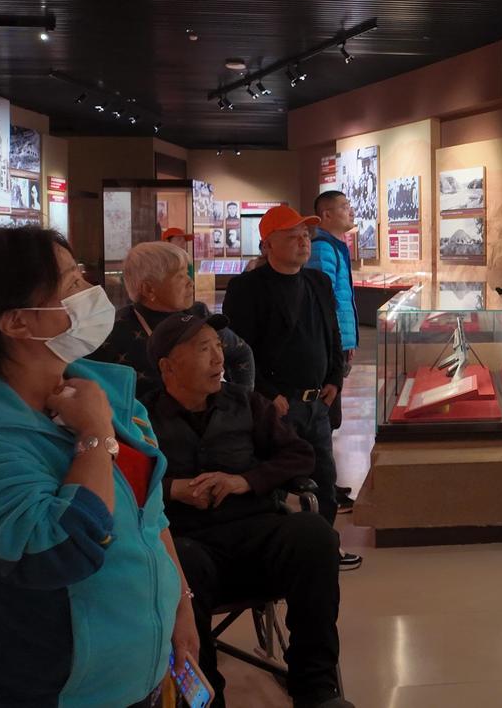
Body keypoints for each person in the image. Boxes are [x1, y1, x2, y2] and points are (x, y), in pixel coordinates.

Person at [0, 226, 197, 708]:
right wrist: (94, 437)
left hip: (138, 678)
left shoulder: (108, 392)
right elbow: (59, 552)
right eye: (71, 284)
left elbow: (152, 518)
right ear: (17, 323)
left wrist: (180, 605)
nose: (92, 291)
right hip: (44, 691)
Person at [145, 313, 352, 708]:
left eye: (218, 346)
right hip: (188, 542)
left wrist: (245, 480)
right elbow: (123, 483)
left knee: (314, 535)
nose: (218, 358)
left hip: (255, 531)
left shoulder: (245, 403)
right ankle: (206, 700)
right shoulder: (142, 417)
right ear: (168, 367)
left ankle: (316, 688)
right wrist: (173, 488)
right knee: (178, 563)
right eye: (203, 349)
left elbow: (300, 455)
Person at [223, 206, 361, 570]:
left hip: (317, 403)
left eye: (305, 235)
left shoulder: (317, 282)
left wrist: (334, 379)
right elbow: (239, 350)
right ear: (268, 244)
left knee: (325, 478)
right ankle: (282, 552)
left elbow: (332, 334)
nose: (303, 242)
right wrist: (267, 394)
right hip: (277, 406)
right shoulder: (247, 288)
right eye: (292, 236)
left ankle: (325, 547)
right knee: (277, 480)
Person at [89, 240, 254, 396]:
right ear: (149, 289)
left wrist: (243, 402)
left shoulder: (198, 315)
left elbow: (241, 353)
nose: (190, 282)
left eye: (187, 273)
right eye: (180, 276)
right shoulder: (115, 331)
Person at [307, 191, 360, 514]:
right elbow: (324, 300)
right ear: (326, 214)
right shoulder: (323, 248)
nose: (350, 211)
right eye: (343, 207)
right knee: (324, 415)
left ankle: (325, 481)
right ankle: (321, 486)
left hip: (338, 343)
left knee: (330, 417)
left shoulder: (335, 247)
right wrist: (335, 343)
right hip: (330, 344)